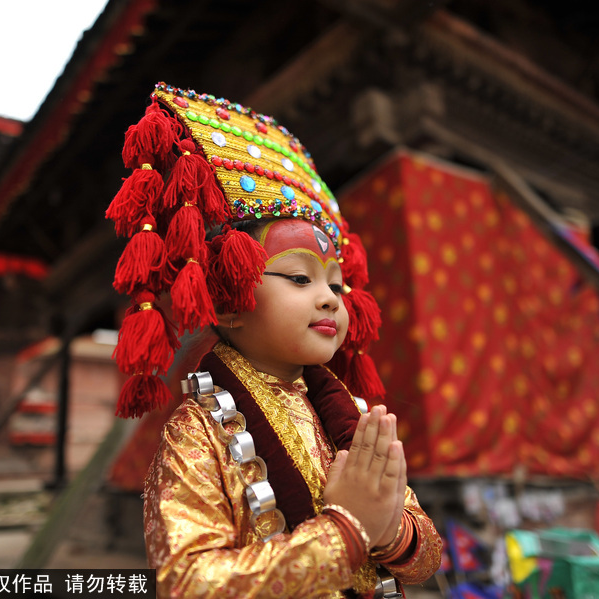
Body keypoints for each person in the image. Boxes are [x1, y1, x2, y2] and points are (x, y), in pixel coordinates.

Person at [105, 83, 442, 598]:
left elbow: (426, 561)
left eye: (335, 283)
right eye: (301, 280)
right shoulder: (197, 434)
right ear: (229, 301)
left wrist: (392, 529)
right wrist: (347, 531)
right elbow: (185, 583)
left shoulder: (346, 412)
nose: (331, 299)